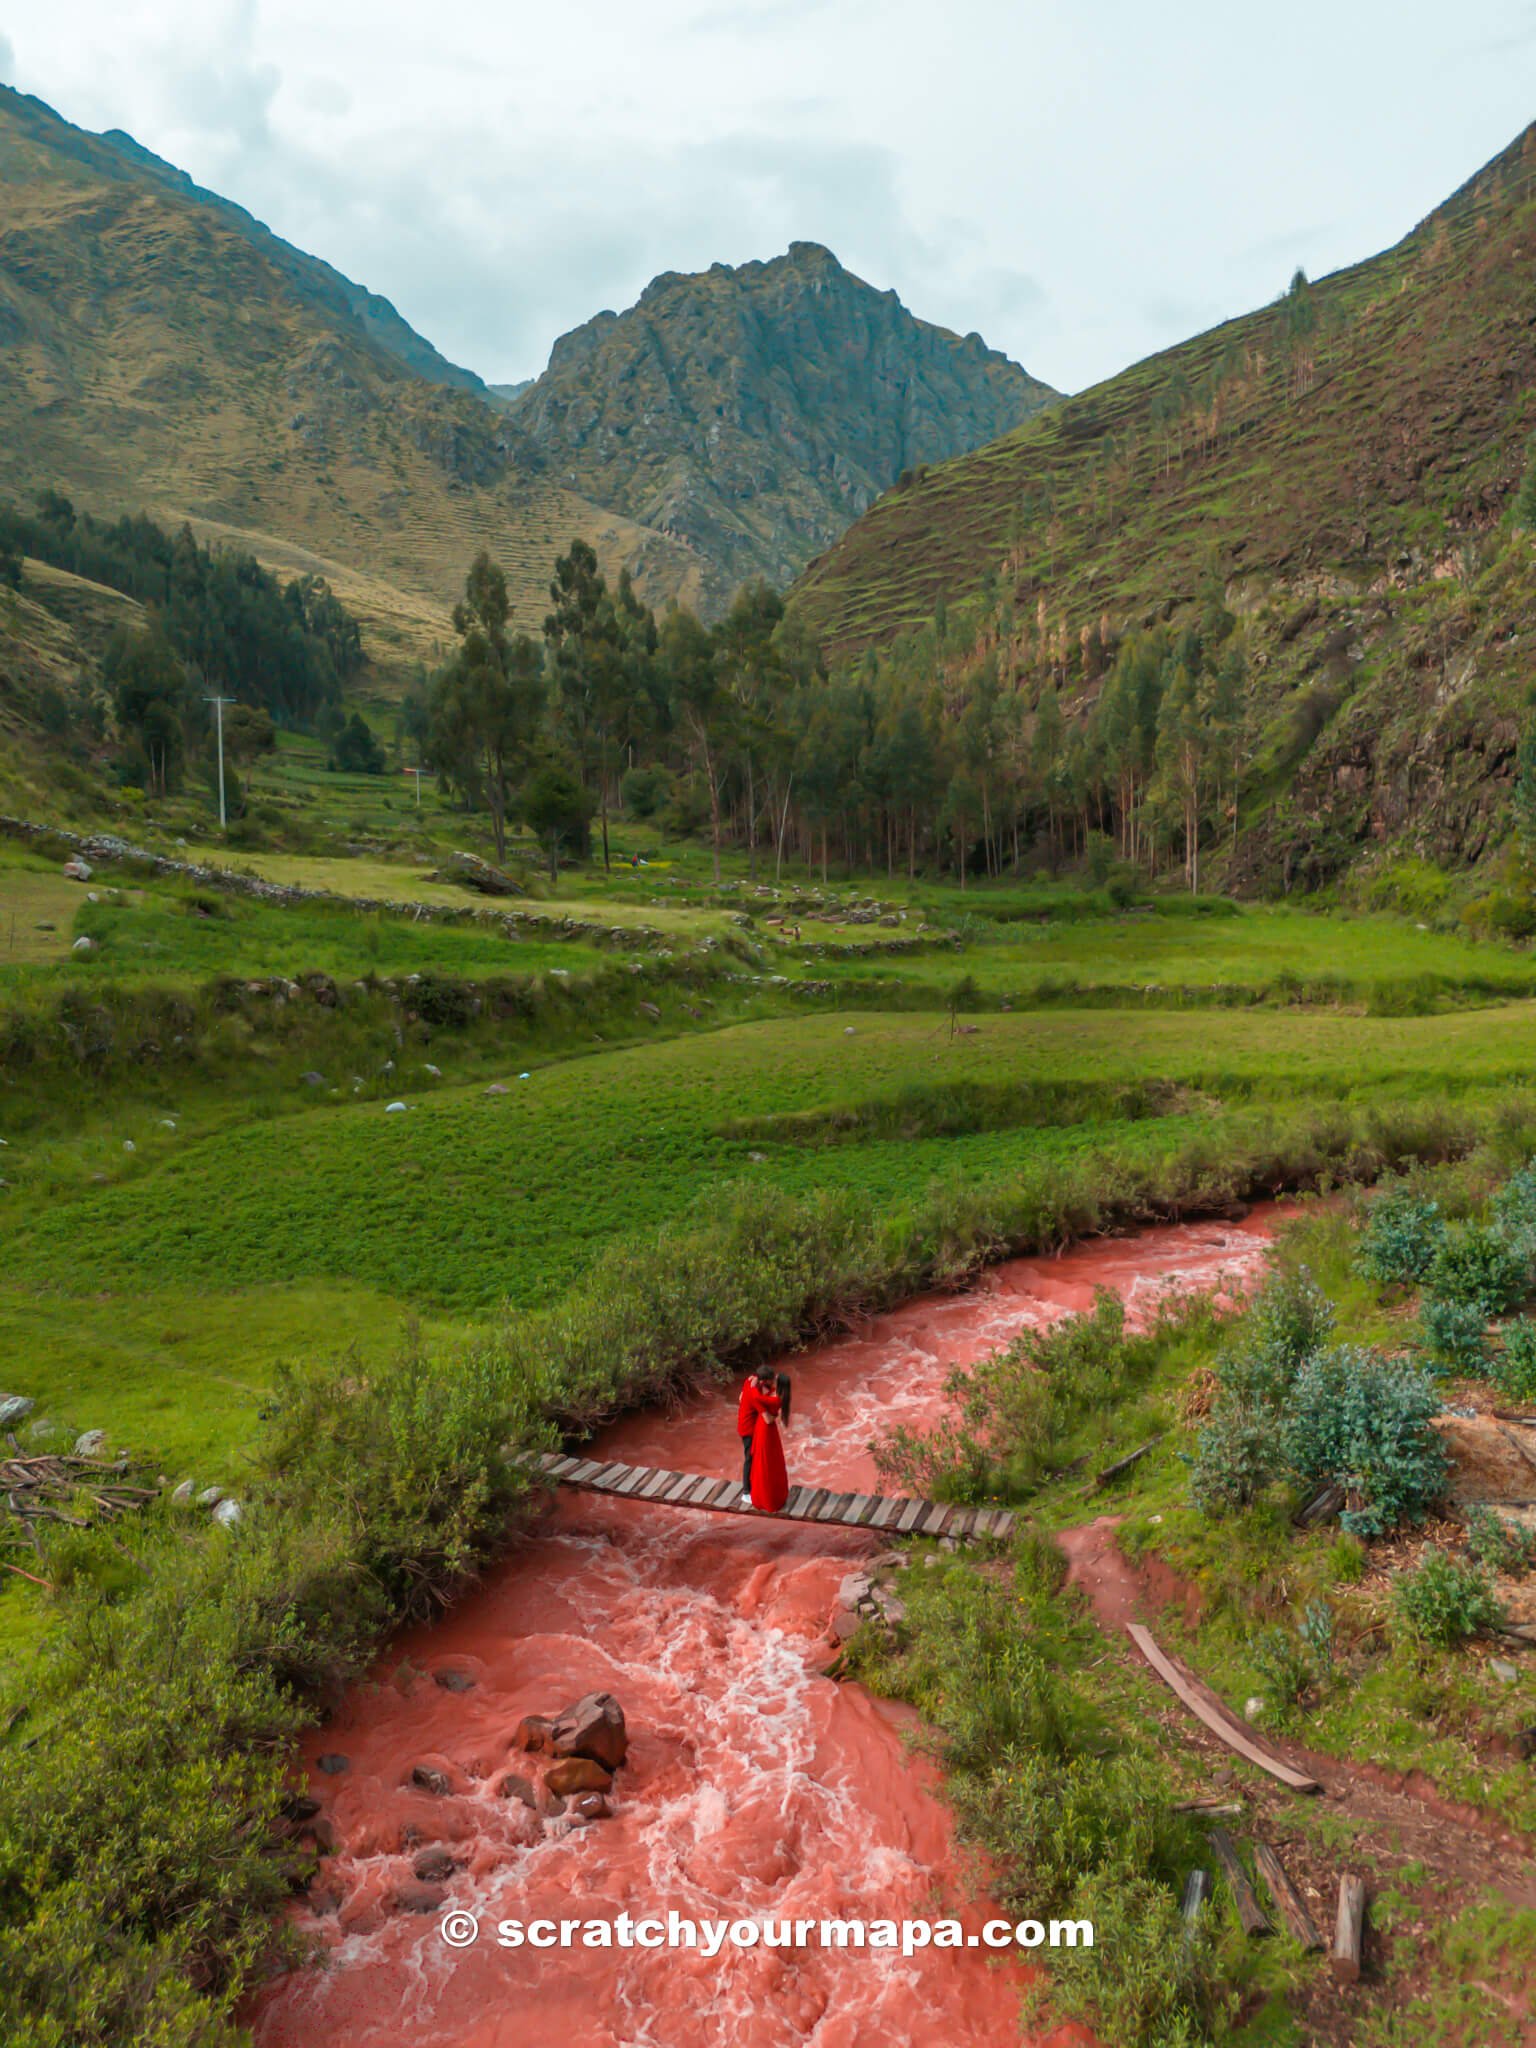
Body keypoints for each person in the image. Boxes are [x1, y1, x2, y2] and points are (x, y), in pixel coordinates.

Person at [738, 1368, 788, 1512]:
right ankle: (747, 1492)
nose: (773, 1383)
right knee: (750, 1458)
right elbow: (767, 1416)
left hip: (752, 1425)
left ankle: (756, 1487)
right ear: (763, 1380)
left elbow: (741, 1398)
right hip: (749, 1428)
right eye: (771, 1380)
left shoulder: (751, 1381)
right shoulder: (756, 1391)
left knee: (757, 1458)